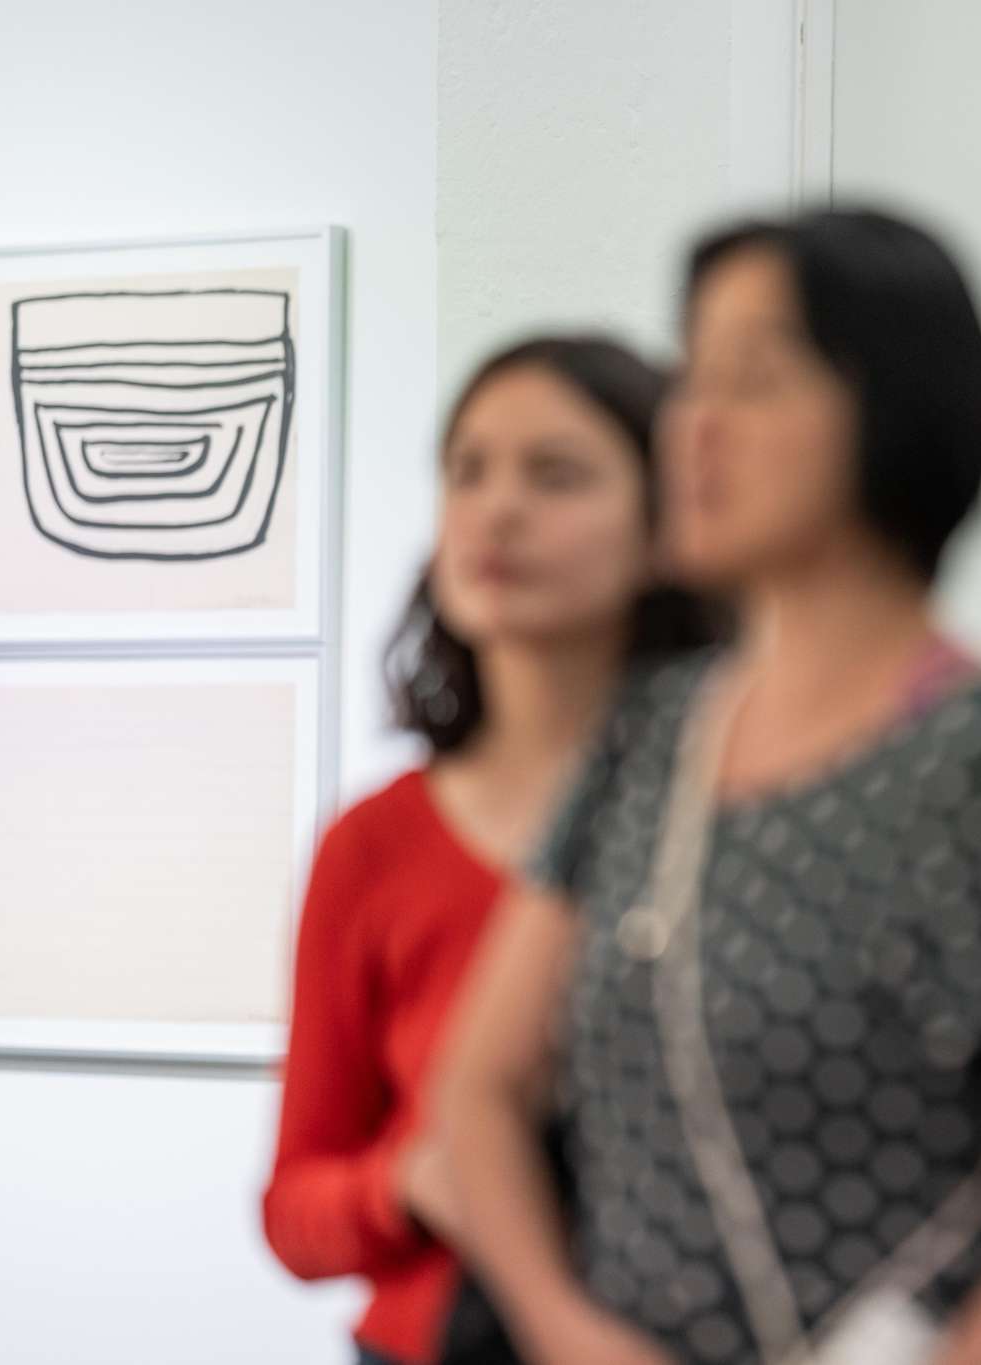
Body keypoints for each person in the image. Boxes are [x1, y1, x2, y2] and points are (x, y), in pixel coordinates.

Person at [439, 209, 981, 1365]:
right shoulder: (650, 731)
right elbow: (478, 1089)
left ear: (889, 411)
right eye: (693, 375)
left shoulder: (978, 763)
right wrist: (566, 1331)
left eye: (754, 379)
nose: (696, 424)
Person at [263, 335, 715, 1365]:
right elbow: (293, 1207)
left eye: (556, 474)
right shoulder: (371, 845)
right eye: (467, 471)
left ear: (665, 524)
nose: (497, 510)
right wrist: (407, 1183)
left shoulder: (738, 816)